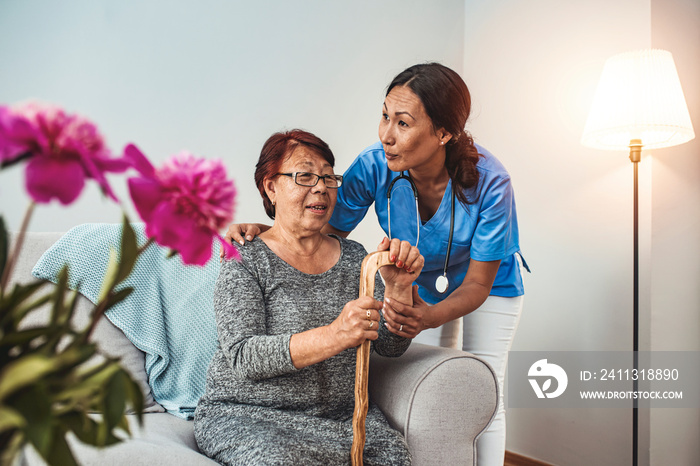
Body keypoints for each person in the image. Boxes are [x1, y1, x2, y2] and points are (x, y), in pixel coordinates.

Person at [223, 63, 528, 466]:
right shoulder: (373, 165)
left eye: (403, 123)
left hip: (485, 284)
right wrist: (272, 230)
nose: (386, 134)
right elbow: (321, 228)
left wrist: (431, 316)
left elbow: (476, 284)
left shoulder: (491, 181)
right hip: (413, 278)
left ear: (443, 133)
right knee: (445, 388)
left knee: (486, 384)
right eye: (385, 116)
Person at [195, 129, 423, 466]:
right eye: (304, 176)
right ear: (270, 186)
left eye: (329, 178)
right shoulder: (245, 257)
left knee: (393, 456)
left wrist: (398, 288)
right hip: (250, 415)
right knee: (277, 460)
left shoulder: (354, 257)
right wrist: (334, 335)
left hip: (340, 419)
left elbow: (390, 347)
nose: (320, 187)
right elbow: (243, 356)